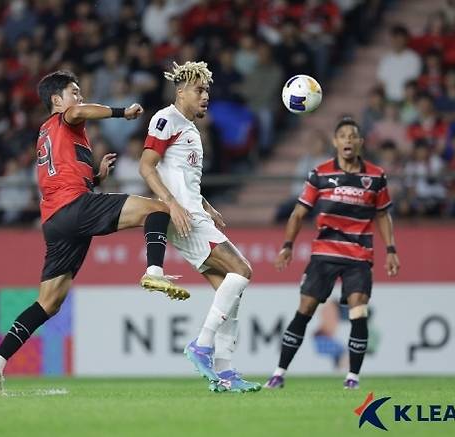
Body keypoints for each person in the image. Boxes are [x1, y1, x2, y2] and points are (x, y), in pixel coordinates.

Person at [0, 70, 189, 395]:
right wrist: (122, 112)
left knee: (49, 303)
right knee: (159, 208)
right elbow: (76, 112)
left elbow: (65, 173)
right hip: (74, 207)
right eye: (73, 92)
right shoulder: (65, 117)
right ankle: (154, 271)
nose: (78, 97)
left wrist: (97, 177)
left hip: (55, 220)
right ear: (56, 100)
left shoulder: (48, 133)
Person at [140, 61, 260, 393]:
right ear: (180, 92)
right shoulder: (166, 119)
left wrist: (205, 204)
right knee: (243, 270)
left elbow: (181, 178)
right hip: (185, 218)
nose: (206, 96)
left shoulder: (190, 128)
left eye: (207, 90)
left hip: (194, 212)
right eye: (199, 90)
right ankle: (201, 345)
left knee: (230, 294)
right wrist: (172, 203)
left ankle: (225, 373)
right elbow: (146, 166)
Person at [263, 117, 400, 390]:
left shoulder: (375, 176)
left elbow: (383, 215)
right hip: (324, 254)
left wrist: (391, 249)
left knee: (358, 312)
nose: (348, 139)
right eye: (343, 135)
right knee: (305, 311)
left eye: (353, 135)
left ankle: (352, 378)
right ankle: (279, 373)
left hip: (359, 257)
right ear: (335, 142)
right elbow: (299, 213)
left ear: (360, 142)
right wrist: (288, 245)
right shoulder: (320, 174)